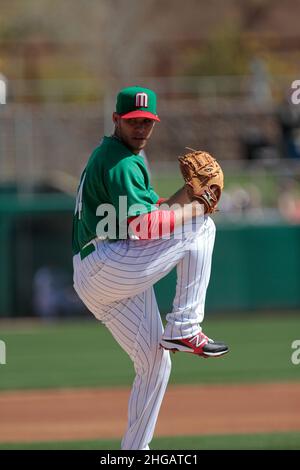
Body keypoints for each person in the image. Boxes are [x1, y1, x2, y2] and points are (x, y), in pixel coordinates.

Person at [72, 86, 229, 450]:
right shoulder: (121, 161)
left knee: (155, 364)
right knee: (202, 226)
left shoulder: (116, 156)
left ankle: (133, 453)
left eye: (147, 121)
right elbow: (145, 228)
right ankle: (185, 326)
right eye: (133, 121)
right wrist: (200, 208)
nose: (141, 128)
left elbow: (149, 215)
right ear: (116, 120)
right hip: (106, 261)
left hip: (100, 274)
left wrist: (188, 195)